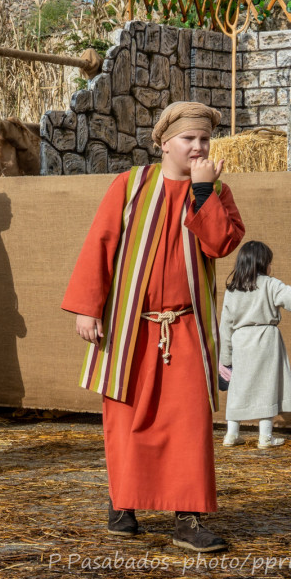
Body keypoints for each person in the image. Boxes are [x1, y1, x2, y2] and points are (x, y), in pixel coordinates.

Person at [62, 102, 244, 552]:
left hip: (184, 328)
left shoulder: (216, 190)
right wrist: (88, 307)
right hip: (132, 327)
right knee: (126, 417)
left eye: (204, 140)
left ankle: (189, 517)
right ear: (165, 143)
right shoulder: (130, 186)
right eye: (189, 139)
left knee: (189, 422)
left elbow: (220, 243)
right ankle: (123, 504)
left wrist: (202, 194)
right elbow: (100, 243)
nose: (199, 147)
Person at [220, 241, 291, 449]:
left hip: (240, 342)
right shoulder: (270, 284)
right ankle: (265, 437)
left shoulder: (232, 290)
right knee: (266, 386)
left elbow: (226, 327)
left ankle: (231, 435)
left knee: (238, 388)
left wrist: (226, 359)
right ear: (262, 263)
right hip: (266, 341)